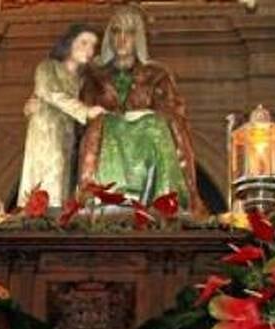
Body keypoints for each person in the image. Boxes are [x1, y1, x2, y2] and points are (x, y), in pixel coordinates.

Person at [78, 5, 204, 214]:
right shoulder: (95, 76)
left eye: (129, 32)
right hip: (107, 135)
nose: (122, 39)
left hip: (146, 137)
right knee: (104, 125)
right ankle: (109, 196)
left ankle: (163, 200)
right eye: (116, 31)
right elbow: (82, 113)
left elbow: (174, 116)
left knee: (155, 126)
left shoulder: (157, 74)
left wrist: (144, 116)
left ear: (138, 38)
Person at [16, 24, 106, 209]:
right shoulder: (48, 67)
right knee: (47, 182)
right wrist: (84, 111)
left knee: (65, 183)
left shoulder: (83, 81)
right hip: (46, 133)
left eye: (93, 46)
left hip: (68, 138)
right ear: (69, 43)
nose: (89, 50)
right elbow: (49, 91)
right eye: (84, 43)